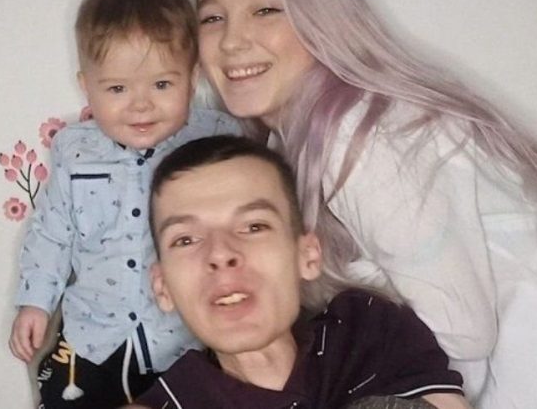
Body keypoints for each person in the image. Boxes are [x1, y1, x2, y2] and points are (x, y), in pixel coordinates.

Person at [194, 0, 537, 408]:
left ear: (322, 16)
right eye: (212, 18)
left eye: (266, 9)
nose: (232, 41)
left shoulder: (360, 136)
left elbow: (463, 333)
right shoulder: (284, 146)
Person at [7, 0, 240, 408]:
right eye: (117, 88)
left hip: (185, 339)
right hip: (93, 336)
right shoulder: (75, 152)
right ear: (87, 87)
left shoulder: (217, 140)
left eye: (162, 85)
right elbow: (52, 235)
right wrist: (35, 303)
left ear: (192, 79)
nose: (140, 104)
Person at [132, 135, 470, 409]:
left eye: (254, 226)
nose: (220, 253)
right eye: (186, 239)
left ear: (307, 255)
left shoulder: (368, 330)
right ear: (163, 287)